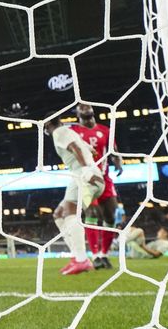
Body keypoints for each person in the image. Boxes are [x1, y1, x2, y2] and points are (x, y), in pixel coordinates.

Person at [45, 114, 105, 276]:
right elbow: (88, 150)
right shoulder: (70, 131)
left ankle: (81, 260)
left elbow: (75, 148)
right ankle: (78, 256)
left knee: (70, 211)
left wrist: (86, 171)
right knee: (59, 214)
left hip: (85, 177)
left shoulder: (59, 132)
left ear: (48, 125)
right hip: (90, 179)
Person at [71, 103, 123, 269]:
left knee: (111, 216)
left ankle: (104, 254)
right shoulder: (73, 132)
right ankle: (94, 256)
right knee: (92, 214)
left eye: (88, 108)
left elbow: (113, 151)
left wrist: (118, 162)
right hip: (85, 179)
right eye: (81, 109)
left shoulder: (105, 130)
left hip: (104, 179)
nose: (85, 109)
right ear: (78, 114)